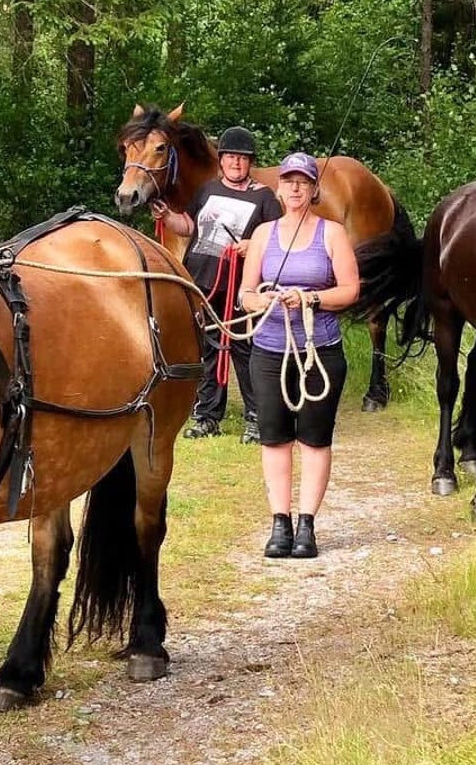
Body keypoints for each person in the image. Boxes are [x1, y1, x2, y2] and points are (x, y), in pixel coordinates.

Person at [237, 152, 360, 558]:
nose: (294, 187)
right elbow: (245, 294)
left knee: (313, 437)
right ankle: (280, 522)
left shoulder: (332, 234)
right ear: (279, 188)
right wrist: (264, 301)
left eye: (302, 182)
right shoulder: (263, 235)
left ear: (313, 190)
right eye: (288, 181)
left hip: (317, 350)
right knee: (273, 438)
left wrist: (310, 298)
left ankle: (307, 523)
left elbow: (349, 291)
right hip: (269, 350)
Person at [154, 126, 281, 442]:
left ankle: (256, 416)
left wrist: (252, 245)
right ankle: (208, 415)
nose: (237, 163)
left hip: (239, 287)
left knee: (243, 350)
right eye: (231, 158)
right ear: (222, 160)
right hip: (203, 283)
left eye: (243, 158)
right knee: (208, 349)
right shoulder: (208, 191)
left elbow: (275, 239)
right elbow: (188, 226)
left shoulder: (264, 197)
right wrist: (167, 215)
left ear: (250, 162)